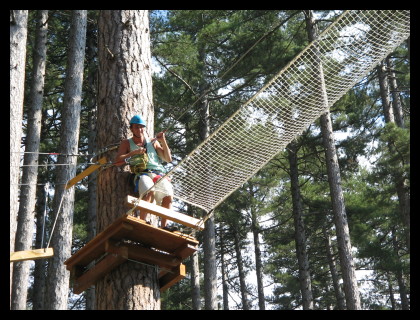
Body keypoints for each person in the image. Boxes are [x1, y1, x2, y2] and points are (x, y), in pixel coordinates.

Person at [115, 114, 176, 231]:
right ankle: (143, 221)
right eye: (136, 127)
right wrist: (132, 153)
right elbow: (117, 161)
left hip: (158, 174)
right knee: (148, 190)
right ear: (132, 129)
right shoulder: (127, 143)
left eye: (141, 127)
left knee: (168, 195)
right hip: (142, 173)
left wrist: (163, 141)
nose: (139, 129)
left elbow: (168, 159)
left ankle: (164, 226)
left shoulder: (152, 142)